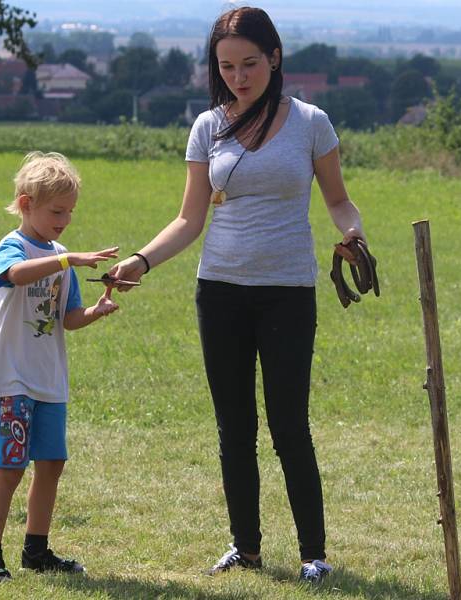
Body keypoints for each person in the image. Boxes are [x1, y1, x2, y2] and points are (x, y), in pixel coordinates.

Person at [108, 6, 367, 584]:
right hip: (219, 292)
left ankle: (314, 555)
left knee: (289, 425)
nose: (239, 76)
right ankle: (245, 547)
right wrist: (142, 261)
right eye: (227, 66)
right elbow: (189, 219)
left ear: (274, 59)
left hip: (288, 292)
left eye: (250, 63)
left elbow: (339, 201)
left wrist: (353, 235)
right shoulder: (207, 127)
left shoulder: (311, 123)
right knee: (234, 428)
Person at [0, 151, 120, 581]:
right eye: (57, 211)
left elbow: (68, 319)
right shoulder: (13, 246)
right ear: (26, 204)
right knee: (10, 467)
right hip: (12, 380)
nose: (65, 221)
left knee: (51, 464)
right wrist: (67, 259)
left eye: (70, 212)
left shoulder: (60, 255)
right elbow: (12, 276)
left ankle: (36, 551)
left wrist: (96, 310)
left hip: (49, 382)